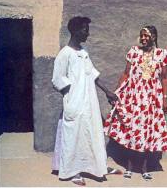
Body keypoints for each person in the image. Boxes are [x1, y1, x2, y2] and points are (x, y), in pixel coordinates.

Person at [51, 16, 121, 186]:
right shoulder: (65, 54)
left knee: (93, 133)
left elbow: (93, 75)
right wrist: (73, 97)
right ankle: (73, 172)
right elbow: (57, 79)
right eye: (85, 29)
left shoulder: (84, 53)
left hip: (90, 103)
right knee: (74, 136)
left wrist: (107, 92)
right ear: (75, 31)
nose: (87, 33)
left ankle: (100, 167)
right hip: (76, 104)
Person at [104, 25, 167, 180]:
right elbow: (126, 74)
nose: (143, 38)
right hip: (133, 98)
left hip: (152, 100)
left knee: (148, 133)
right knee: (131, 131)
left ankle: (144, 168)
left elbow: (165, 78)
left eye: (146, 36)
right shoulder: (134, 52)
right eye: (141, 36)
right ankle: (129, 167)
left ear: (154, 37)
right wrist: (116, 93)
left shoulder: (162, 55)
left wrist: (164, 99)